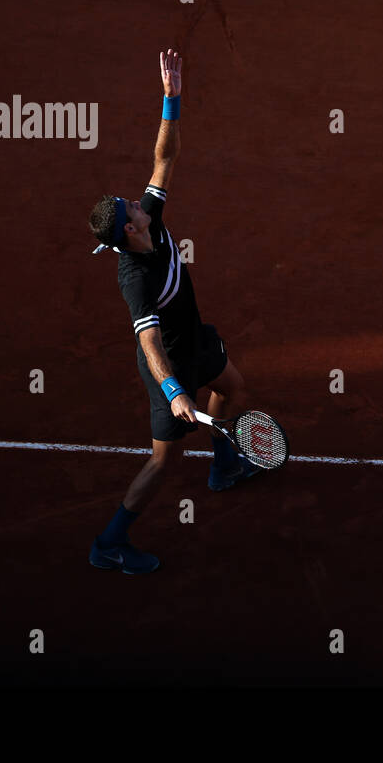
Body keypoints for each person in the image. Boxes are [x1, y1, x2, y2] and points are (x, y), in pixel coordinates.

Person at [84, 49, 259, 574]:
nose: (138, 202)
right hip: (170, 368)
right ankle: (109, 543)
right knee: (163, 463)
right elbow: (149, 344)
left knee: (234, 389)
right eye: (130, 208)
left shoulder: (151, 220)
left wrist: (171, 102)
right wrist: (174, 391)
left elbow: (165, 159)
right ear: (129, 231)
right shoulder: (134, 279)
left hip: (197, 339)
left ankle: (225, 467)